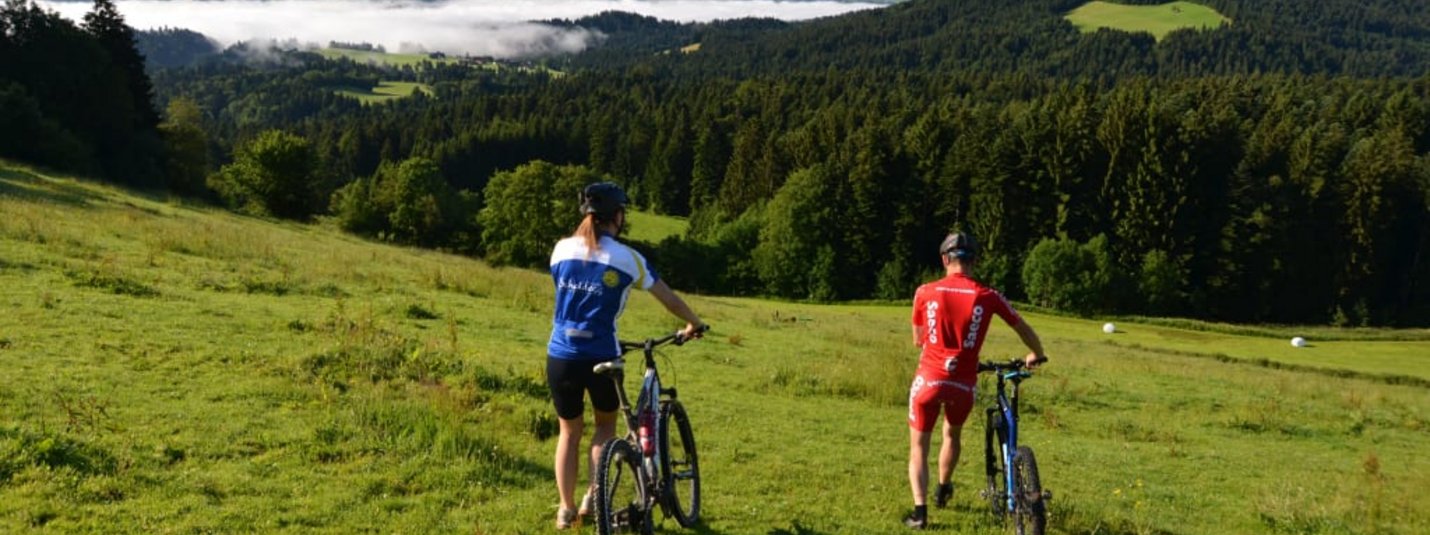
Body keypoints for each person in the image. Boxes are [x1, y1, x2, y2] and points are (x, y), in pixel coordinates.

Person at [547, 182, 706, 530]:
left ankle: (565, 508)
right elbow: (669, 299)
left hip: (559, 355)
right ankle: (594, 496)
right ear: (617, 216)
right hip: (601, 354)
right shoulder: (626, 258)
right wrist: (693, 323)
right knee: (605, 426)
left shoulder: (560, 250)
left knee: (568, 432)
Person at [903, 231, 1047, 529]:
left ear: (945, 259)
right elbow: (1022, 326)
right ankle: (944, 486)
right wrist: (1036, 352)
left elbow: (918, 340)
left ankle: (920, 512)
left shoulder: (924, 292)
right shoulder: (987, 295)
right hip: (963, 385)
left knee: (919, 446)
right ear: (975, 261)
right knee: (951, 435)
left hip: (928, 380)